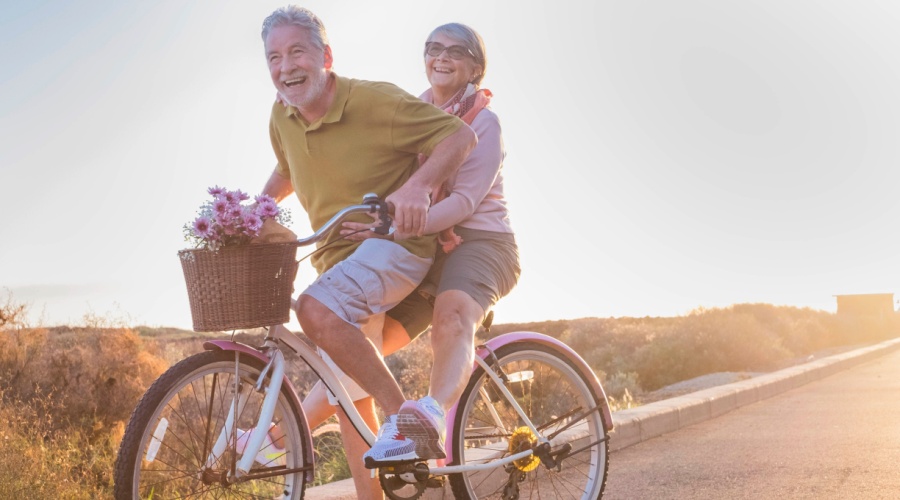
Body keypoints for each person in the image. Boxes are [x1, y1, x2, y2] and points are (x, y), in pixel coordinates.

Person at [258, 7, 476, 498]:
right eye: (274, 56)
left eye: (297, 51)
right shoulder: (282, 114)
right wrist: (254, 210)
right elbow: (287, 167)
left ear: (326, 56)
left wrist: (420, 187)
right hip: (337, 260)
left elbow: (459, 136)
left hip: (393, 247)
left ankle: (408, 421)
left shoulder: (376, 101)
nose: (285, 66)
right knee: (348, 398)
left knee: (313, 307)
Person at [301, 21, 520, 468]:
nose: (441, 57)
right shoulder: (416, 109)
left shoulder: (485, 122)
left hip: (482, 242)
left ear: (475, 67)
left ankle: (426, 419)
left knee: (451, 317)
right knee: (359, 352)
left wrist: (392, 230)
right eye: (433, 48)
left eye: (455, 51)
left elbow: (461, 204)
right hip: (425, 247)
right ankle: (277, 436)